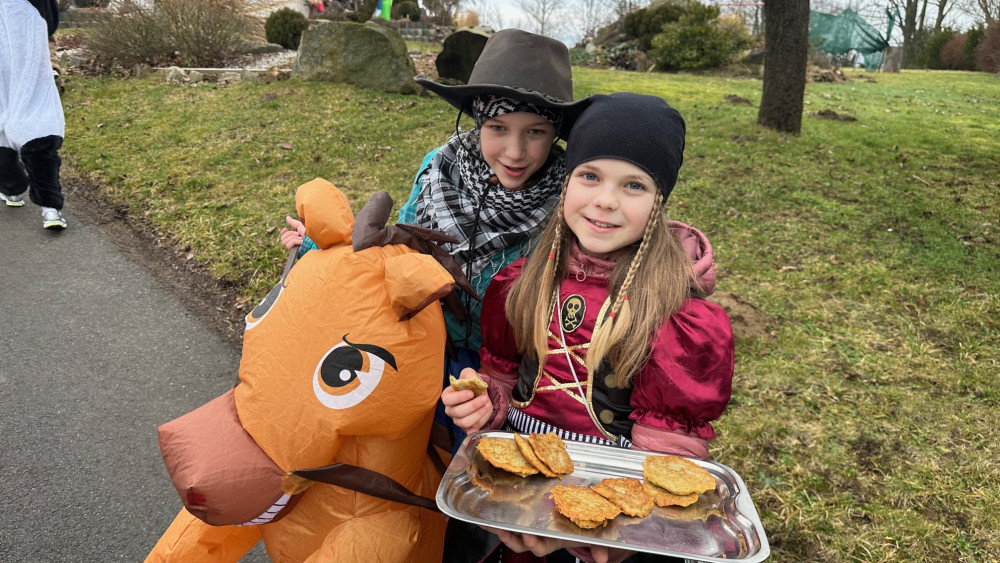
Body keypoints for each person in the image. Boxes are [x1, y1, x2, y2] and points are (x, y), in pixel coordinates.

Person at [441, 93, 735, 563]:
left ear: (659, 201)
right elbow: (503, 384)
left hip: (611, 512)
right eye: (590, 176)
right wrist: (483, 406)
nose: (605, 201)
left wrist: (615, 538)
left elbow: (665, 461)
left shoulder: (672, 316)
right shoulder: (522, 283)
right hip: (515, 494)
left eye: (633, 185)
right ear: (567, 181)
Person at [280, 29, 591, 450]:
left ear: (554, 133)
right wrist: (318, 248)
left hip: (504, 379)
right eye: (498, 127)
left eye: (535, 132)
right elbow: (398, 249)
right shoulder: (440, 169)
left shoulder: (571, 200)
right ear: (478, 122)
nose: (515, 152)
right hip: (422, 347)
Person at [0, 0, 68, 230]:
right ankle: (45, 204)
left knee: (26, 128)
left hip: (23, 65)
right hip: (24, 61)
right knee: (33, 125)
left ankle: (18, 190)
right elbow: (51, 22)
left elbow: (49, 23)